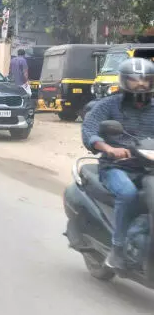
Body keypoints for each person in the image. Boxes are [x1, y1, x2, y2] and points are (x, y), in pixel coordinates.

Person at [81, 57, 154, 270]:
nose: (141, 85)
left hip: (149, 167)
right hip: (117, 167)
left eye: (146, 80)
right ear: (124, 82)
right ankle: (118, 248)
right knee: (128, 194)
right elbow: (90, 130)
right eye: (135, 81)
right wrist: (109, 149)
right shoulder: (108, 106)